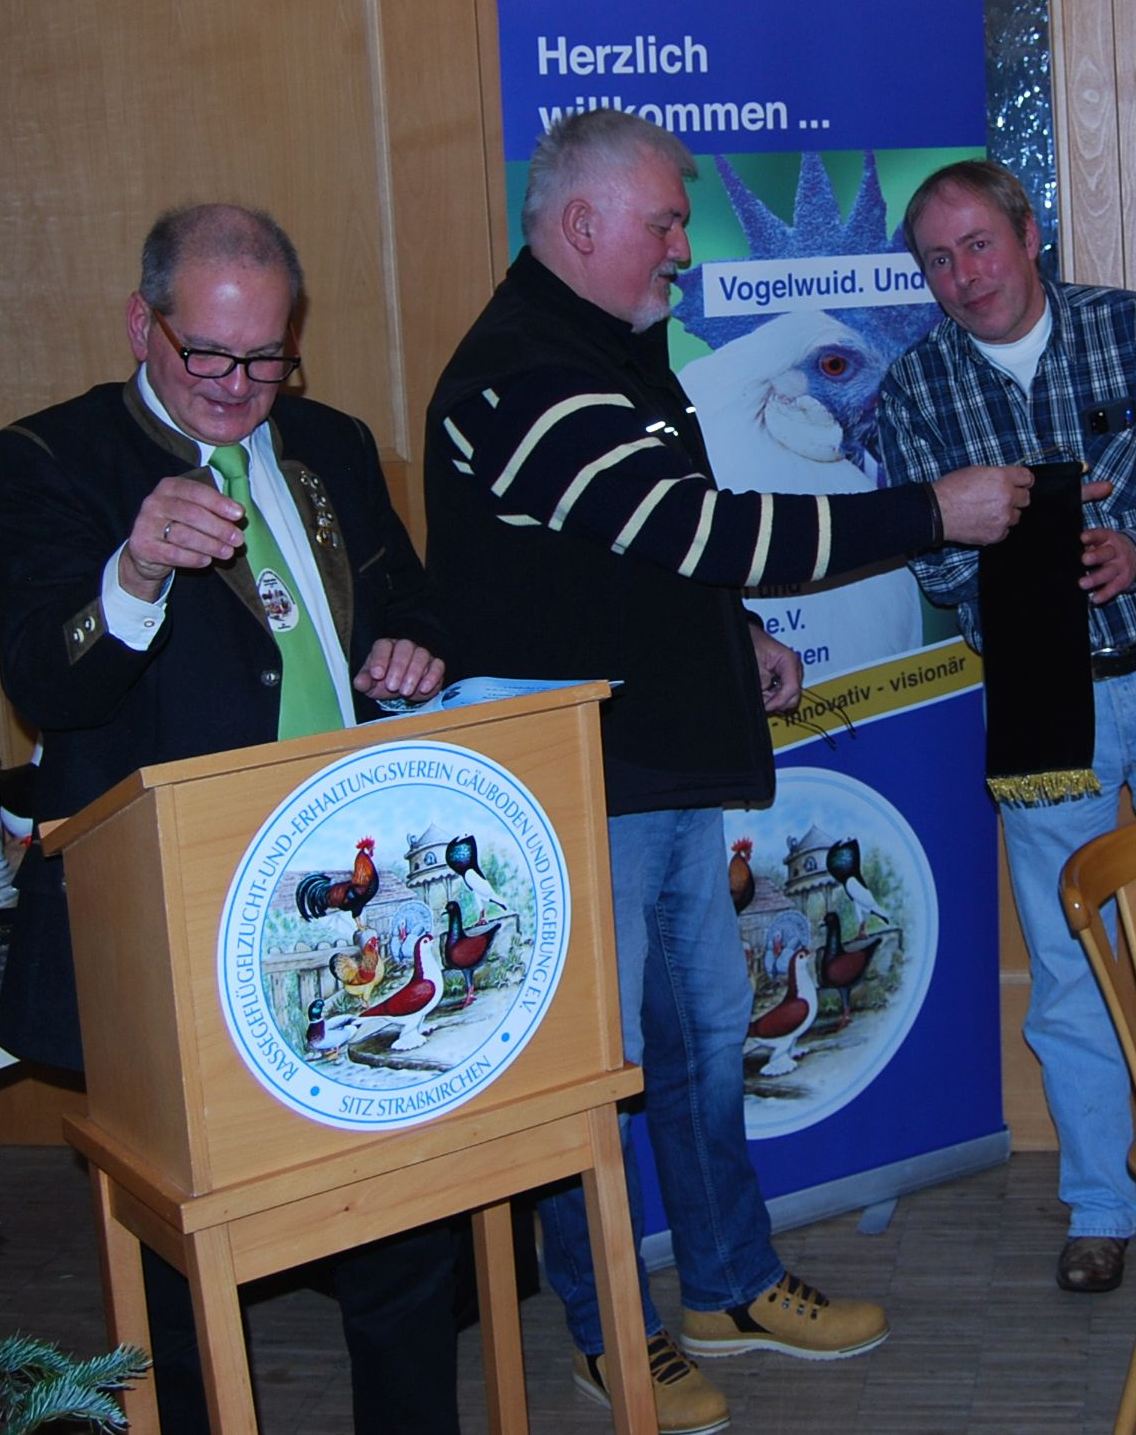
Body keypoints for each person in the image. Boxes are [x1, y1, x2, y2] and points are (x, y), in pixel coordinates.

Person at [422, 109, 1032, 1435]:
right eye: (663, 224)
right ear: (581, 224)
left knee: (704, 1040)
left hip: (658, 757)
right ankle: (610, 1330)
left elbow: (645, 556)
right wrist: (932, 509)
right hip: (576, 783)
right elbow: (696, 526)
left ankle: (728, 1286)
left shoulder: (613, 345)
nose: (683, 251)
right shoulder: (522, 371)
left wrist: (734, 629)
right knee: (590, 1071)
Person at [0, 204, 460, 1433]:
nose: (240, 387)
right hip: (171, 915)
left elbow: (405, 595)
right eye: (208, 355)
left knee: (403, 1225)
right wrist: (132, 572)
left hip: (344, 902)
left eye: (267, 358)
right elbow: (45, 682)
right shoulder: (46, 461)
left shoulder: (331, 442)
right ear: (141, 324)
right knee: (183, 1263)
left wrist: (412, 647)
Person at [877, 158, 1136, 1296]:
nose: (964, 277)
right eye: (937, 261)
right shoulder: (914, 388)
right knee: (1070, 965)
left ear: (1029, 236)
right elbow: (927, 560)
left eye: (979, 244)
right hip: (1037, 703)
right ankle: (1100, 1205)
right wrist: (1008, 547)